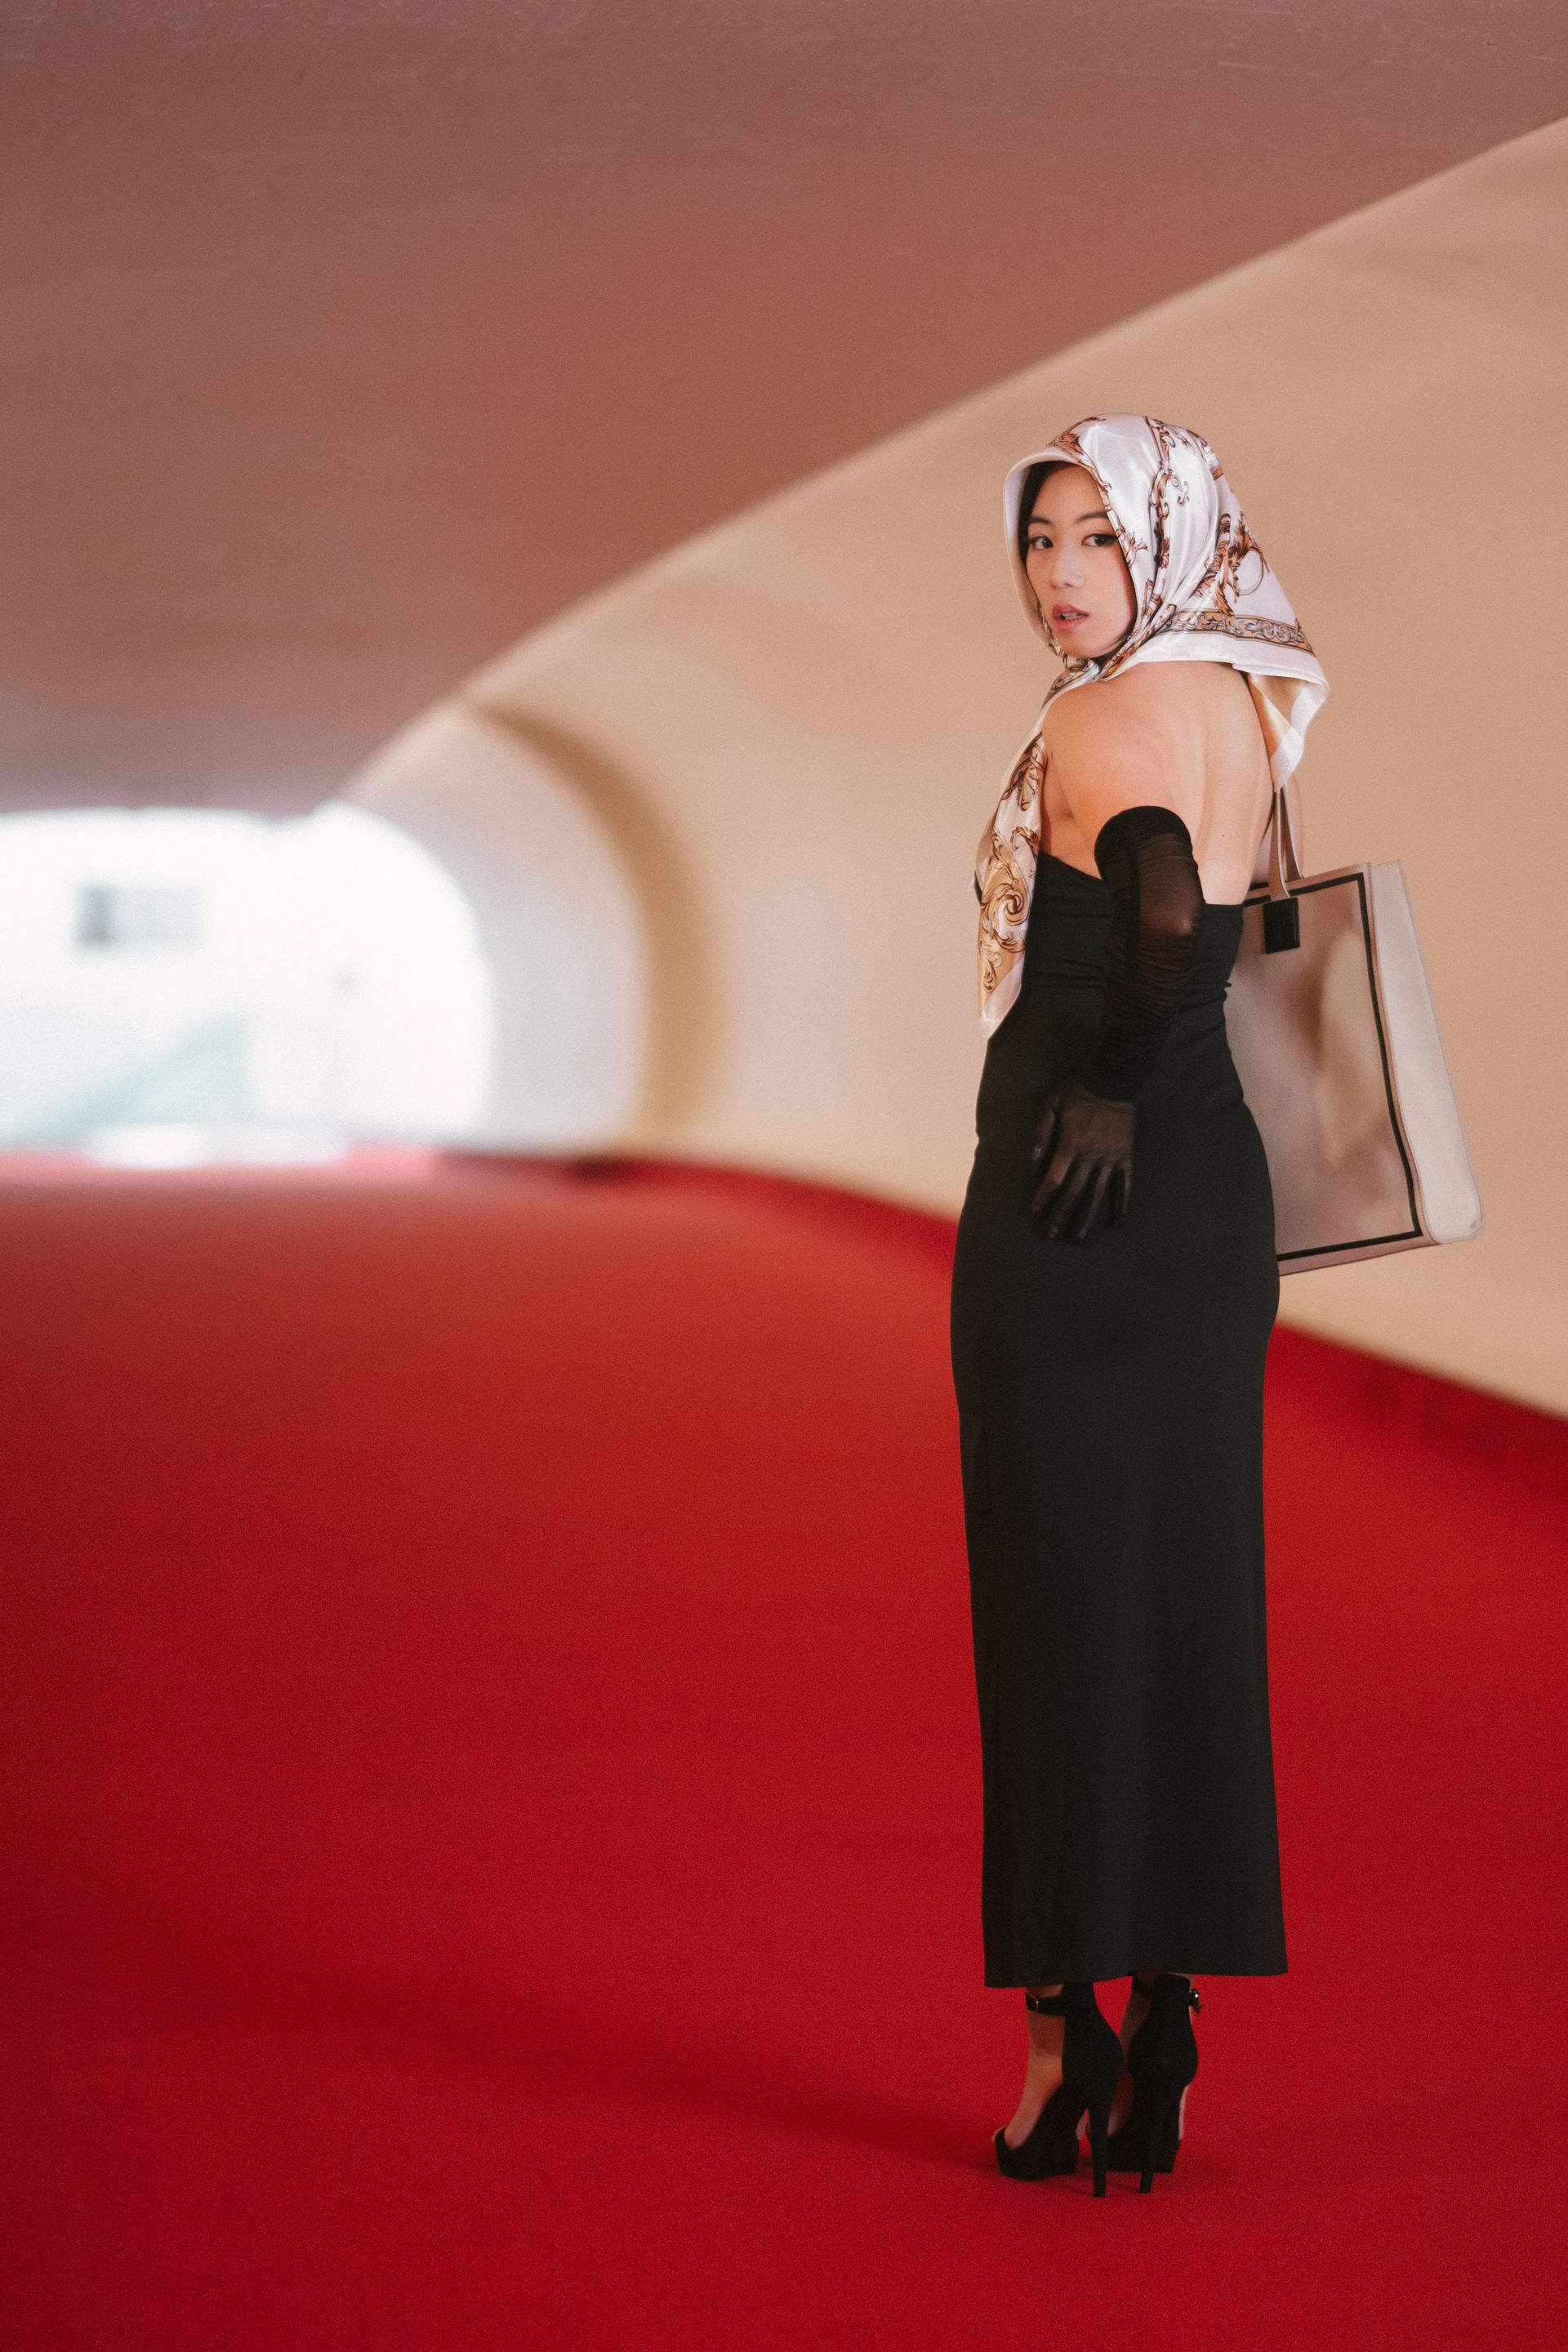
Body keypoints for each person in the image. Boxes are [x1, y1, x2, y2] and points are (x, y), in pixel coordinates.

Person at [948, 414, 1328, 2195]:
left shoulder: (1104, 719)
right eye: (1040, 539)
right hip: (1205, 1212)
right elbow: (1216, 905)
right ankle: (1170, 2012)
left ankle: (1060, 2044)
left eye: (1100, 536)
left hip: (1073, 1197)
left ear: (1169, 534)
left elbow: (1162, 896)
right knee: (1186, 1593)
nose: (1059, 574)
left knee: (1045, 1597)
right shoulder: (1248, 702)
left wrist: (1100, 1085)